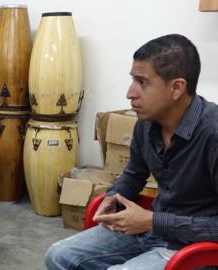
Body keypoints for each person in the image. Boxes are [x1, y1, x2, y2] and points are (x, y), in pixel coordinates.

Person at [45, 33, 218, 270]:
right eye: (132, 80)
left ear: (177, 87)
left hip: (198, 249)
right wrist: (112, 195)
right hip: (152, 231)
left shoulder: (213, 132)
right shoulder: (146, 124)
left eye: (142, 82)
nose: (130, 93)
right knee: (58, 255)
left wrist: (153, 221)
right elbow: (135, 172)